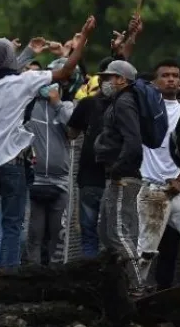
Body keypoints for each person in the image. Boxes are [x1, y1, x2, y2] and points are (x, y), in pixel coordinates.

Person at [0, 16, 94, 272]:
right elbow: (66, 72)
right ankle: (7, 279)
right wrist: (84, 36)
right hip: (12, 164)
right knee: (11, 225)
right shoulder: (24, 81)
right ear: (12, 60)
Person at [135, 62, 180, 290]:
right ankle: (134, 291)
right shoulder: (146, 110)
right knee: (146, 250)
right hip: (152, 188)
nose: (171, 79)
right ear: (154, 81)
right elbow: (133, 83)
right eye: (165, 75)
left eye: (175, 76)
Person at [94, 59, 146, 295]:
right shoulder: (120, 101)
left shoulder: (125, 102)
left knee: (117, 232)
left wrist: (118, 168)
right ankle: (119, 286)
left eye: (109, 77)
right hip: (119, 174)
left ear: (122, 80)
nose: (105, 82)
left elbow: (133, 142)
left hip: (123, 176)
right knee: (106, 230)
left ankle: (137, 286)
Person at [23, 61, 76, 265]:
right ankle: (33, 280)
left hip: (60, 183)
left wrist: (57, 104)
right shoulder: (29, 107)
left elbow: (73, 129)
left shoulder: (67, 106)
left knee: (58, 237)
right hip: (34, 181)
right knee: (34, 236)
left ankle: (55, 280)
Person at [67, 59, 113, 258]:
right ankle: (92, 278)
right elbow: (71, 132)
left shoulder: (127, 105)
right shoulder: (87, 104)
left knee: (110, 236)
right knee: (90, 234)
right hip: (90, 180)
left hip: (116, 180)